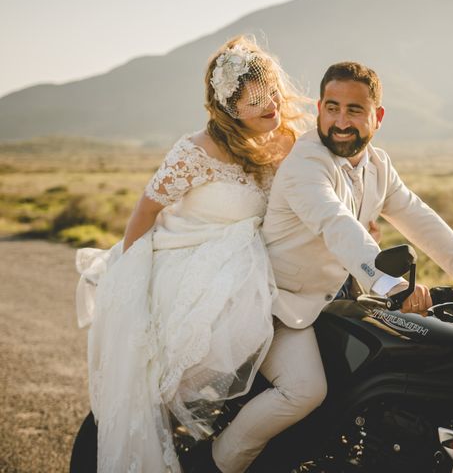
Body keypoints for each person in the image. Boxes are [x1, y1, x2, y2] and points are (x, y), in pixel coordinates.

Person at [210, 61, 453, 472]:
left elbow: (420, 218)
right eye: (333, 108)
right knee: (303, 390)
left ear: (377, 117)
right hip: (281, 308)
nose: (340, 121)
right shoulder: (307, 163)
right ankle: (217, 464)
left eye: (354, 111)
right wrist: (393, 285)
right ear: (320, 108)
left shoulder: (377, 166)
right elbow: (336, 224)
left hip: (336, 305)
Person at [73, 35, 312, 472]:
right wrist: (129, 286)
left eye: (273, 93)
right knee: (164, 388)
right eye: (255, 100)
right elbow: (146, 211)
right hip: (188, 266)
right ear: (227, 107)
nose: (271, 105)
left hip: (249, 270)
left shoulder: (282, 142)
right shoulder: (197, 150)